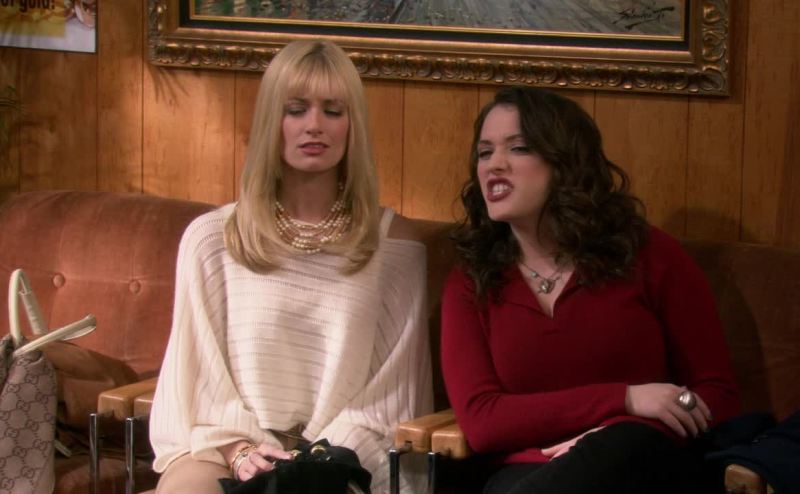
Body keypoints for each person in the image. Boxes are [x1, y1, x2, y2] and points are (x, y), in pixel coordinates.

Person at [148, 39, 432, 494]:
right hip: (229, 450)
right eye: (296, 110)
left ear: (352, 126)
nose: (314, 125)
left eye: (333, 111)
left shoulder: (395, 246)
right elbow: (196, 382)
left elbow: (390, 399)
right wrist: (242, 450)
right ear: (271, 122)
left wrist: (311, 463)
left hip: (340, 460)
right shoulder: (211, 239)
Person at [440, 86, 740, 494]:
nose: (495, 165)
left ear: (565, 162)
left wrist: (618, 431)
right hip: (529, 472)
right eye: (484, 152)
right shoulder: (471, 278)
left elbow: (718, 394)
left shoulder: (649, 255)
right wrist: (626, 399)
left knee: (616, 451)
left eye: (519, 148)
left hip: (640, 464)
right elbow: (482, 421)